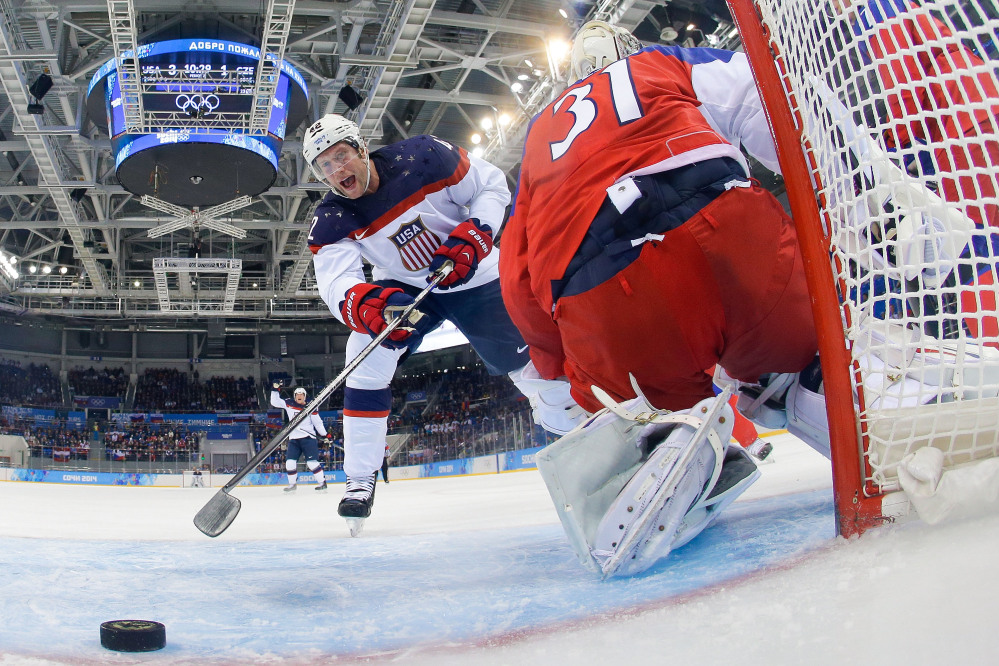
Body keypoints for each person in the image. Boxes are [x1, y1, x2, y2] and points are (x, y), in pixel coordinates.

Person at [500, 20, 819, 577]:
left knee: (637, 404)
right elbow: (763, 101)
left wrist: (565, 363)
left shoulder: (536, 144)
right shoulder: (660, 63)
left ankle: (664, 438)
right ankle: (853, 409)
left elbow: (517, 280)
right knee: (792, 363)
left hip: (603, 287)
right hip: (726, 225)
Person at [302, 114, 582, 533]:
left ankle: (582, 442)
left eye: (341, 155)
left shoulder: (426, 155)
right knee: (362, 358)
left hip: (474, 272)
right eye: (325, 165)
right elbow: (337, 283)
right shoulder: (331, 219)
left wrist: (477, 231)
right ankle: (360, 480)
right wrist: (368, 305)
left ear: (361, 147)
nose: (337, 170)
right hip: (406, 291)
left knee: (532, 364)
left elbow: (490, 185)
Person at [270, 383, 330, 493]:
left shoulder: (311, 406)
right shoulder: (289, 403)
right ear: (294, 396)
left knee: (312, 463)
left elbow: (317, 423)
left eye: (301, 394)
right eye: (297, 394)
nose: (299, 396)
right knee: (290, 463)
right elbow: (275, 402)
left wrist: (325, 435)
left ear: (305, 396)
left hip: (308, 438)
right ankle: (292, 484)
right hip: (294, 439)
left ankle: (322, 483)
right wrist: (275, 390)